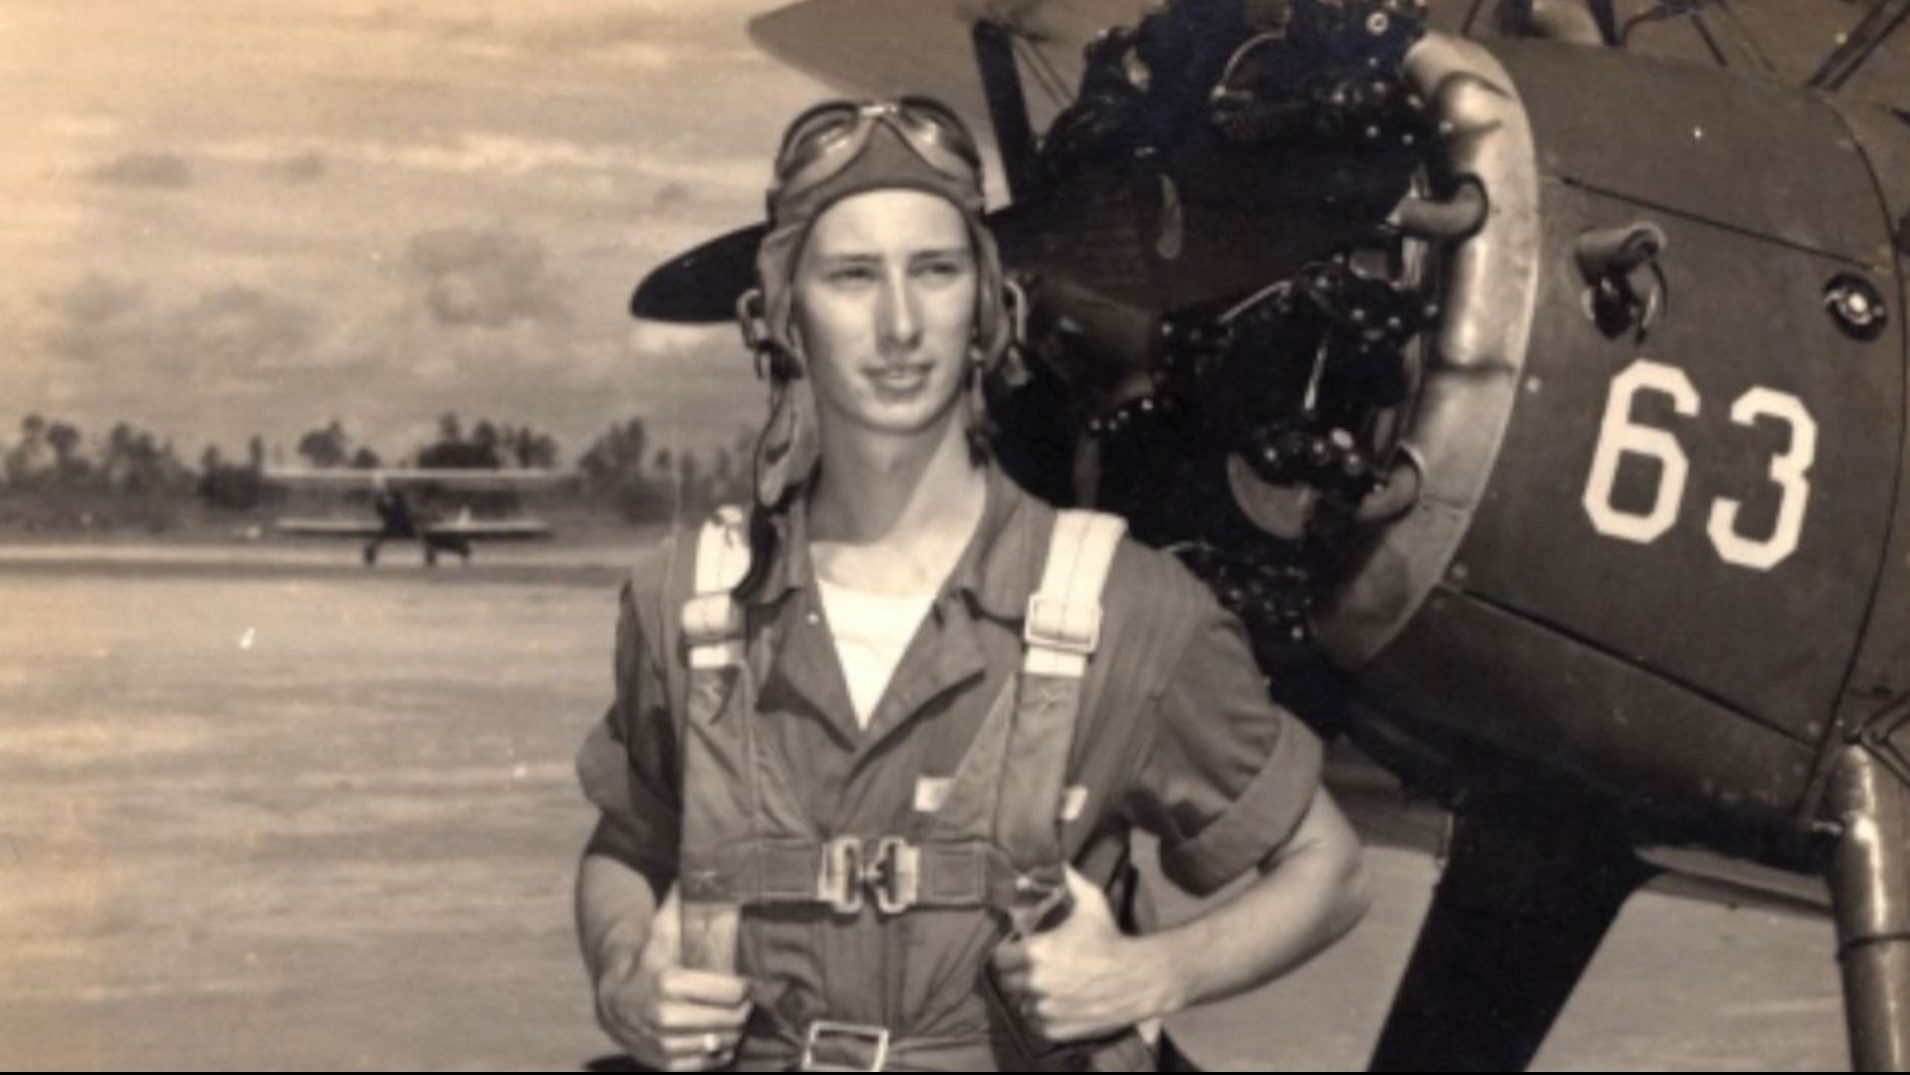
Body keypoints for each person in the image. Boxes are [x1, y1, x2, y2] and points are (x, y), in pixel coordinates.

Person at [575, 96, 1368, 1072]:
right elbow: (628, 848)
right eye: (852, 276)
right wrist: (625, 975)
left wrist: (1151, 974)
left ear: (990, 306)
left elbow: (1327, 869)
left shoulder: (1129, 609)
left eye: (936, 271)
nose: (901, 324)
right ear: (782, 313)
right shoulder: (691, 605)